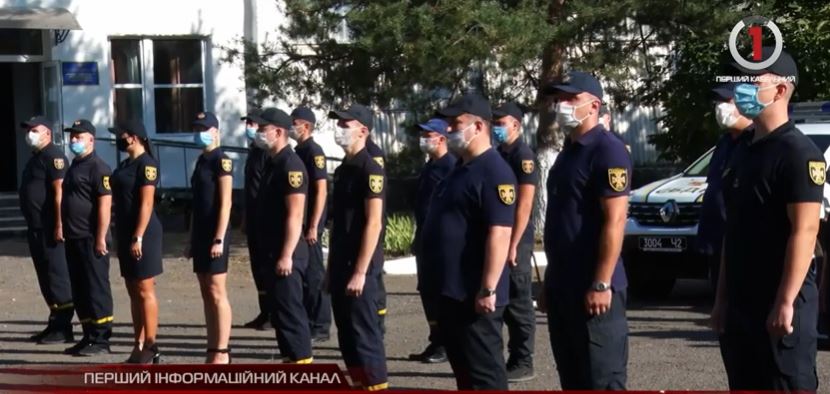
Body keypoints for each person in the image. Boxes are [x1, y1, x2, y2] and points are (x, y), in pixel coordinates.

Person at [712, 48, 822, 391]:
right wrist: (721, 300)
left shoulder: (798, 153)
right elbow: (734, 231)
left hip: (780, 308)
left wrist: (786, 301)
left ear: (779, 90)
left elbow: (805, 231)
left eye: (751, 81)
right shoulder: (741, 150)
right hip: (742, 309)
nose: (740, 88)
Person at [541, 71, 631, 390]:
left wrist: (602, 281)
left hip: (595, 287)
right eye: (558, 99)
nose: (561, 105)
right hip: (564, 287)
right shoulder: (568, 152)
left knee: (602, 378)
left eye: (570, 99)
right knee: (573, 378)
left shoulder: (607, 149)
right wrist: (551, 282)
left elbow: (615, 220)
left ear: (593, 105)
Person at [422, 93, 516, 390]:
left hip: (475, 296)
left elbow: (499, 232)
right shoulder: (459, 169)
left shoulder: (494, 171)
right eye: (448, 123)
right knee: (465, 375)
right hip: (452, 293)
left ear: (478, 127)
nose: (448, 129)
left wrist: (488, 287)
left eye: (456, 123)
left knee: (484, 375)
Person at [326, 104, 388, 390]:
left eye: (345, 124)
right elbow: (339, 225)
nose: (339, 129)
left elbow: (373, 223)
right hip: (341, 264)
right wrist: (331, 269)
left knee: (365, 338)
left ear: (363, 130)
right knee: (347, 337)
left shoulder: (370, 169)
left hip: (360, 268)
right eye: (338, 124)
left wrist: (361, 271)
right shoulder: (342, 170)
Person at [251, 108, 314, 364]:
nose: (257, 133)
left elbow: (295, 215)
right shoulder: (272, 163)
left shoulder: (291, 165)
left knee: (290, 315)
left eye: (261, 129)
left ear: (278, 132)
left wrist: (286, 255)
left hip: (286, 253)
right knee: (279, 315)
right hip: (271, 250)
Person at [109, 120, 163, 364]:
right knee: (133, 291)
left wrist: (138, 236)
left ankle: (151, 345)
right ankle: (138, 344)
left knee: (144, 289)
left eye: (120, 135)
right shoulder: (125, 164)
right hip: (125, 231)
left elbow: (147, 204)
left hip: (143, 234)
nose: (118, 139)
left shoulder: (147, 165)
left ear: (133, 137)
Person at [18, 116, 74, 345]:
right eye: (28, 129)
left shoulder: (54, 156)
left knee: (57, 276)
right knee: (45, 276)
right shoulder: (37, 158)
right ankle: (55, 322)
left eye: (35, 130)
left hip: (51, 227)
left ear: (47, 133)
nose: (30, 133)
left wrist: (60, 224)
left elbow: (60, 192)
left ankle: (63, 326)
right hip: (36, 227)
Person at [492, 101, 538, 382]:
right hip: (501, 236)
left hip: (516, 241)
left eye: (501, 123)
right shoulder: (499, 154)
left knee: (519, 304)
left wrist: (513, 244)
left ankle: (523, 360)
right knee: (501, 303)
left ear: (516, 125)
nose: (496, 127)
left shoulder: (523, 155)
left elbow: (524, 203)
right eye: (494, 122)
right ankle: (505, 359)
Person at [61, 119, 114, 357]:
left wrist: (101, 237)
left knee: (96, 288)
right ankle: (87, 334)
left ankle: (101, 338)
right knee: (80, 288)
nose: (74, 140)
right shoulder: (75, 165)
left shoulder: (98, 167)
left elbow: (104, 205)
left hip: (91, 238)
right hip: (74, 237)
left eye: (78, 136)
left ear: (91, 140)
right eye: (72, 136)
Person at [186, 112, 233, 364]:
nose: (199, 132)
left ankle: (222, 351)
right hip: (201, 234)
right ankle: (212, 346)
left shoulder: (221, 161)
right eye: (196, 127)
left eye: (203, 128)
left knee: (217, 291)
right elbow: (197, 205)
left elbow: (226, 203)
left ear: (215, 131)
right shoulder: (200, 161)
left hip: (216, 236)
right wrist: (191, 238)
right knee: (205, 291)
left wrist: (219, 238)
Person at [697, 82, 752, 291]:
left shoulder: (755, 142)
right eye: (718, 102)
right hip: (717, 241)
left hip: (740, 243)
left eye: (727, 101)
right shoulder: (725, 142)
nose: (720, 107)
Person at [408, 117, 455, 364]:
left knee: (439, 293)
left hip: (441, 242)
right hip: (425, 238)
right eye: (423, 135)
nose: (424, 139)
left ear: (442, 138)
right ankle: (435, 340)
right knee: (426, 290)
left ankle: (446, 344)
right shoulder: (430, 166)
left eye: (429, 135)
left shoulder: (451, 166)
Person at [290, 106, 332, 344]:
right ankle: (309, 320)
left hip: (311, 225)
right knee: (305, 275)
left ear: (305, 126)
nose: (291, 127)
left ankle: (321, 324)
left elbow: (321, 189)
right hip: (303, 223)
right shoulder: (300, 150)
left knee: (315, 274)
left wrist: (314, 224)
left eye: (294, 122)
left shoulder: (314, 152)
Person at [240, 109, 273, 331]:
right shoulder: (253, 151)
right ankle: (264, 312)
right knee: (257, 269)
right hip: (252, 217)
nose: (250, 127)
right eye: (249, 123)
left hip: (265, 219)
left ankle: (274, 314)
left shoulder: (267, 154)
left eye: (254, 124)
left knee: (267, 269)